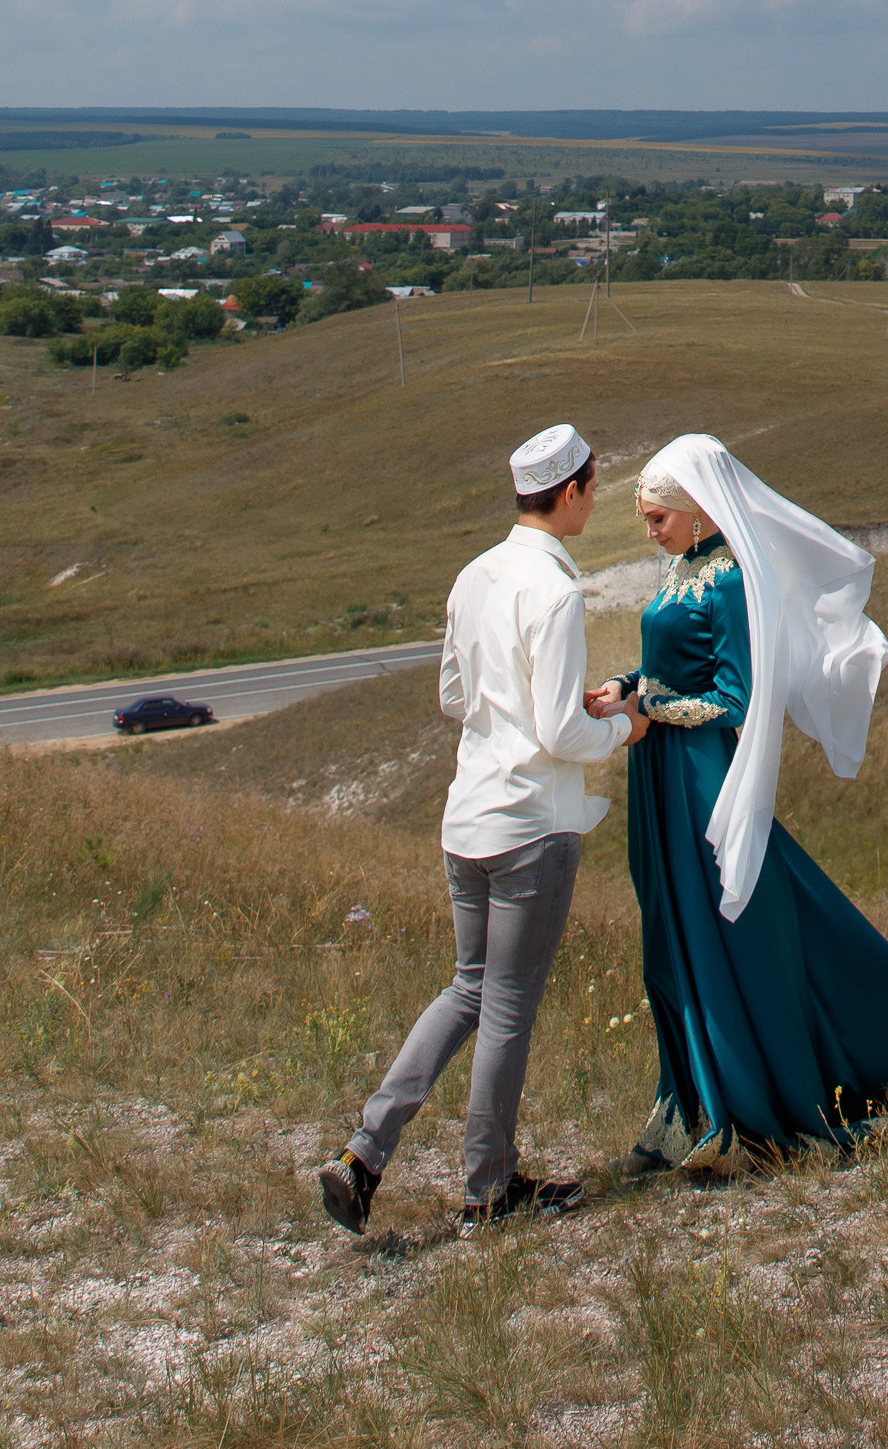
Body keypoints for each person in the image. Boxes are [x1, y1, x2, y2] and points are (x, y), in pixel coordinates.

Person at [587, 431, 888, 1177]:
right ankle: (694, 1102)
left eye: (658, 518)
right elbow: (672, 665)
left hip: (700, 774)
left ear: (699, 510)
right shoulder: (685, 566)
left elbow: (735, 696)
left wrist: (648, 709)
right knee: (682, 929)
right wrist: (627, 687)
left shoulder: (731, 582)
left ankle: (788, 1091)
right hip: (659, 771)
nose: (650, 532)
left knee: (744, 926)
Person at [318, 424, 649, 1237]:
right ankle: (488, 1190)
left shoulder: (474, 575)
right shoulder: (555, 592)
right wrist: (624, 728)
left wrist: (535, 709)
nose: (595, 501)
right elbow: (560, 736)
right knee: (504, 1010)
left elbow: (454, 697)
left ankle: (365, 1152)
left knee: (466, 988)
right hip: (532, 825)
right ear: (569, 491)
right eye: (593, 488)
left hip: (466, 819)